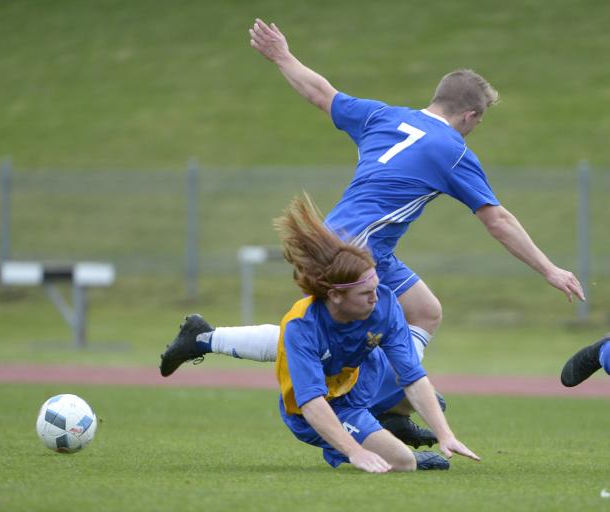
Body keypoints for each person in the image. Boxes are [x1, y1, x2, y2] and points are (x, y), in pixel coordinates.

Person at [160, 17, 585, 444]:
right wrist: (549, 269)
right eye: (479, 120)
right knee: (321, 338)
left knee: (424, 312)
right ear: (470, 114)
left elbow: (320, 92)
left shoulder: (385, 116)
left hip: (348, 242)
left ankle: (390, 410)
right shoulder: (452, 149)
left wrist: (283, 55)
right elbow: (498, 219)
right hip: (353, 249)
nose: (476, 128)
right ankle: (209, 340)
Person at [170, 193, 482, 472]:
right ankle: (355, 444)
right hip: (327, 407)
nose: (376, 298)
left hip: (362, 379)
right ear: (335, 295)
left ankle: (384, 425)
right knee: (402, 463)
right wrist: (354, 451)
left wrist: (445, 434)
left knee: (432, 403)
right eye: (365, 293)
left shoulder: (383, 302)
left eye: (376, 288)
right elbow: (312, 403)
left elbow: (411, 374)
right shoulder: (302, 326)